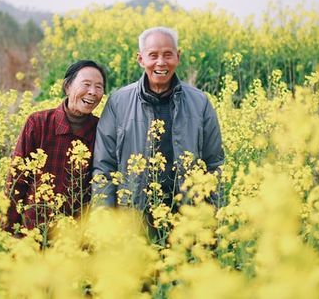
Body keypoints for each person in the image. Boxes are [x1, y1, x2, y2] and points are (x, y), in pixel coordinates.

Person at [92, 26, 224, 212]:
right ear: (141, 59)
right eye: (153, 55)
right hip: (133, 216)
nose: (161, 62)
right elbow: (104, 167)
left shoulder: (200, 102)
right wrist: (104, 218)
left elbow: (214, 164)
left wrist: (213, 216)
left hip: (187, 216)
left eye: (168, 55)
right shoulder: (118, 102)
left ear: (178, 57)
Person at [4, 60, 106, 235]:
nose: (93, 92)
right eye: (86, 84)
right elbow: (17, 180)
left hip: (75, 240)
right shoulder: (38, 123)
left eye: (99, 87)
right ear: (67, 87)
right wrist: (6, 230)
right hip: (33, 232)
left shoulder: (102, 130)